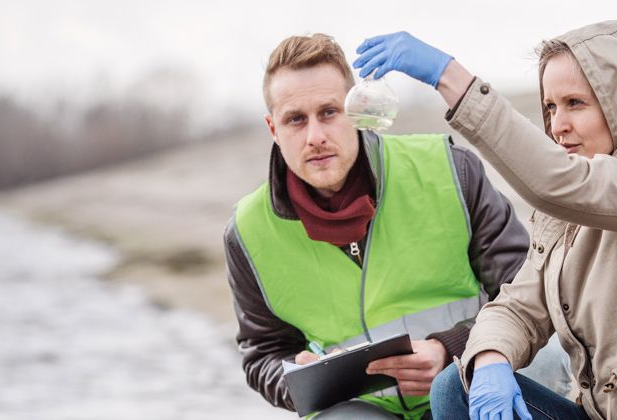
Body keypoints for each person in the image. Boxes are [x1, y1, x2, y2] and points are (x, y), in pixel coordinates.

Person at [353, 21, 617, 419]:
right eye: (550, 107)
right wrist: (490, 358)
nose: (558, 125)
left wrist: (449, 77)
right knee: (455, 388)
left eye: (576, 104)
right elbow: (518, 307)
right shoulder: (567, 222)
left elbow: (559, 182)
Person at [224, 33, 570, 419]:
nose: (315, 136)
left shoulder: (449, 170)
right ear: (273, 128)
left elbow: (528, 291)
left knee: (546, 360)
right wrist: (297, 376)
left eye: (328, 112)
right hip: (363, 407)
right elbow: (264, 354)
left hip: (468, 377)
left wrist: (450, 348)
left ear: (355, 109)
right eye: (295, 120)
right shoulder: (247, 231)